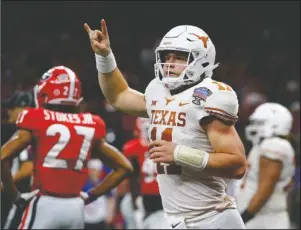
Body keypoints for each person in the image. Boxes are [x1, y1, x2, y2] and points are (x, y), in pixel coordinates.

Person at [84, 20, 247, 229]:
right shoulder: (158, 91)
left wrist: (180, 153)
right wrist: (105, 56)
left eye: (179, 57)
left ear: (201, 60)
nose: (169, 63)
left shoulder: (210, 96)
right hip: (175, 220)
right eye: (166, 56)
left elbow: (237, 164)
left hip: (212, 218)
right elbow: (118, 96)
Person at [1, 66, 133, 229]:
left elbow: (3, 157)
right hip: (75, 208)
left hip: (45, 203)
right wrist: (90, 196)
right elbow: (124, 167)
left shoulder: (36, 118)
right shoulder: (91, 123)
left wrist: (14, 195)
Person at [236, 102, 296, 229]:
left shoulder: (274, 145)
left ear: (275, 124)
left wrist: (244, 217)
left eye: (259, 123)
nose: (253, 127)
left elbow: (265, 189)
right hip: (262, 218)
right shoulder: (266, 145)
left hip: (263, 219)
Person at [121, 117, 166, 229]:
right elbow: (128, 180)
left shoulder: (132, 147)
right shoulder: (132, 148)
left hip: (158, 197)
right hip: (142, 195)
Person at [1, 90, 35, 229]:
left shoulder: (26, 133)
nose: (8, 111)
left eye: (12, 107)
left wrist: (4, 184)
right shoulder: (25, 131)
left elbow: (28, 168)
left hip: (21, 197)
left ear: (23, 109)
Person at [83, 159, 117, 229]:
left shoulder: (104, 184)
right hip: (86, 220)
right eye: (92, 170)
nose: (94, 172)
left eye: (96, 170)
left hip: (100, 220)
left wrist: (110, 214)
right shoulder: (83, 185)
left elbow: (111, 199)